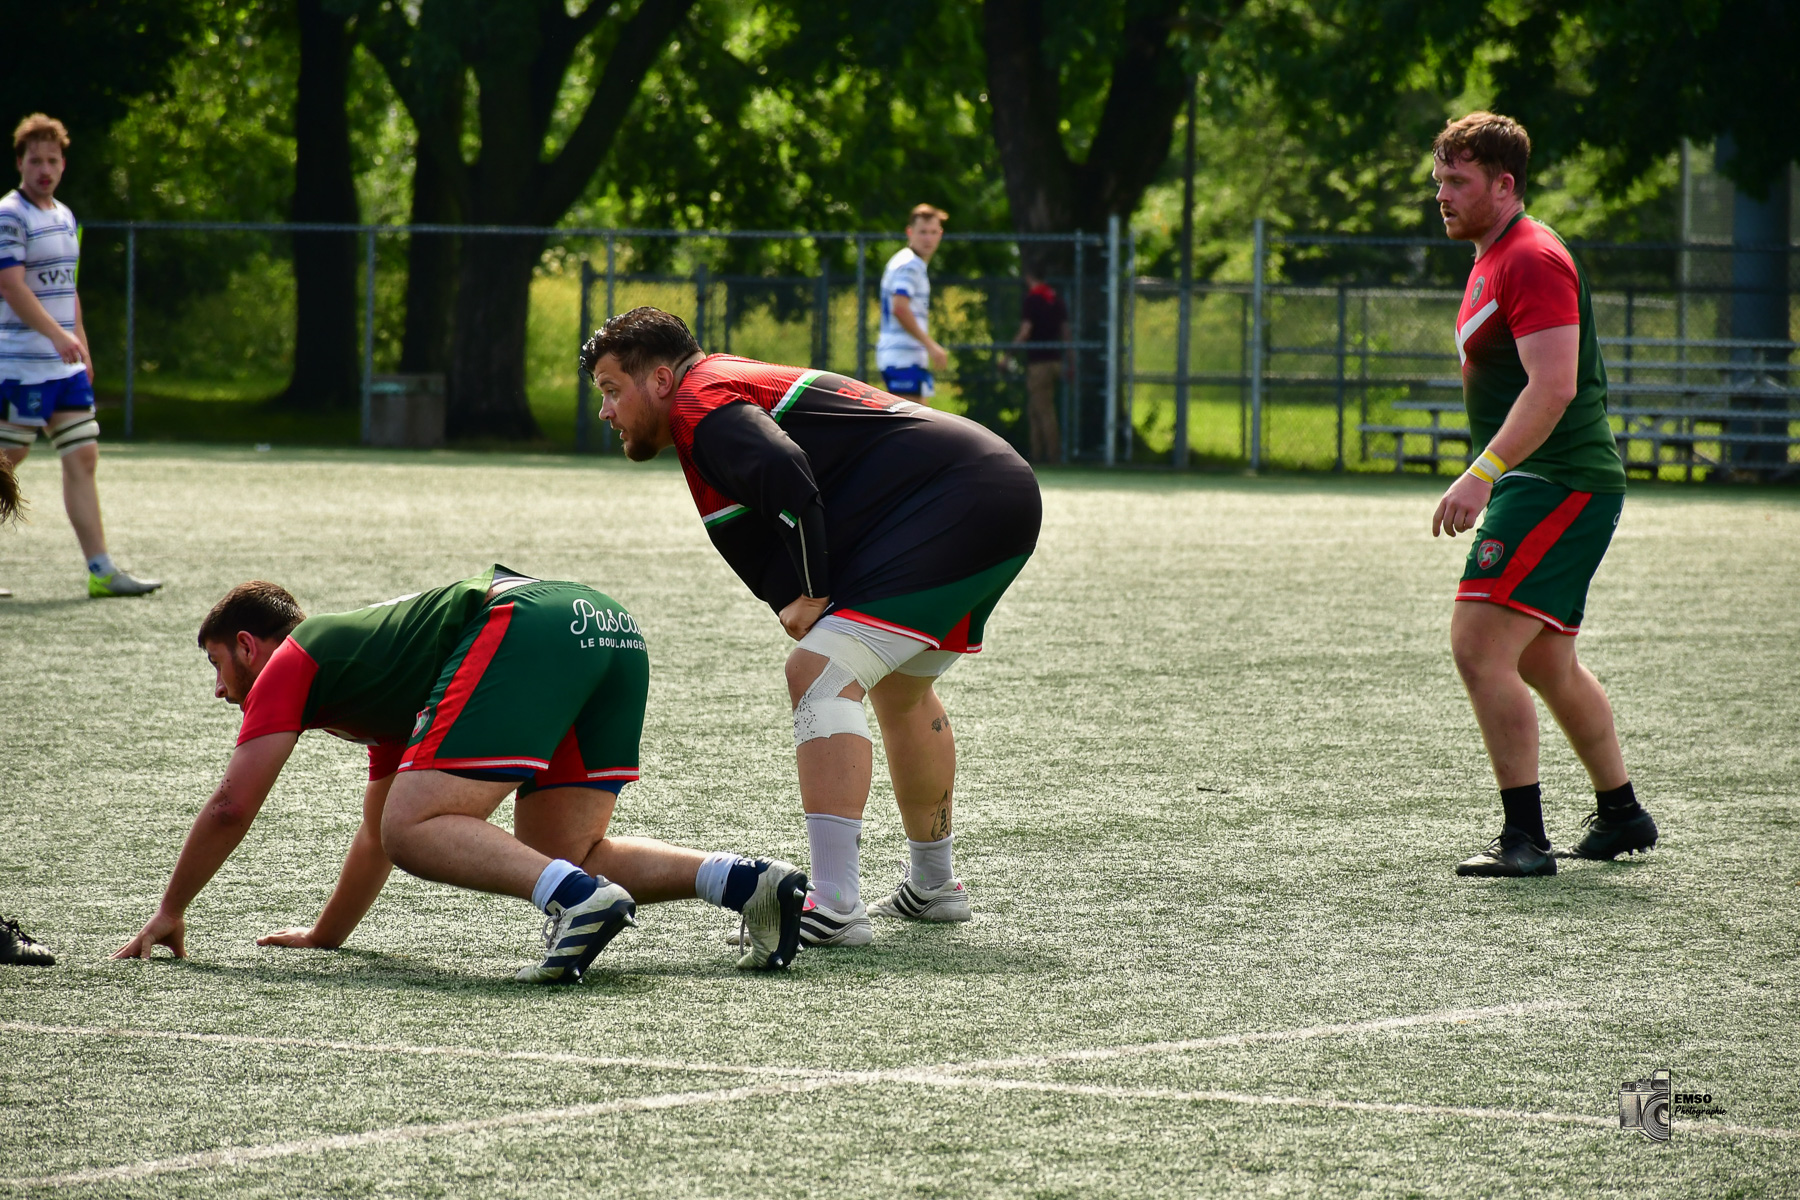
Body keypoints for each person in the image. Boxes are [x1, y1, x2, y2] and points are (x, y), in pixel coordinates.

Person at [580, 308, 1041, 947]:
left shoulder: (697, 402)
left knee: (818, 673)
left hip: (961, 498)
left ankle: (833, 905)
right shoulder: (715, 384)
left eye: (610, 389)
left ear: (660, 379)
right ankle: (934, 887)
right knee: (901, 689)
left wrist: (810, 589)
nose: (604, 410)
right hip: (988, 487)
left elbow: (787, 475)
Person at [112, 568, 809, 978]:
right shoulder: (372, 681)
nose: (219, 690)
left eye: (216, 666)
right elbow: (373, 838)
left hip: (526, 620)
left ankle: (577, 898)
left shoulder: (292, 662)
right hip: (607, 627)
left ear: (245, 645)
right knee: (559, 850)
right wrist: (327, 936)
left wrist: (171, 910)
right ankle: (747, 883)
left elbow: (234, 804)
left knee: (418, 826)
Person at [1428, 111, 1657, 877]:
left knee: (1478, 644)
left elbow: (1553, 387)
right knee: (1547, 662)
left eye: (1458, 181)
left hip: (1556, 478)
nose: (1443, 195)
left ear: (1505, 184)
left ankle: (1524, 840)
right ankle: (1620, 812)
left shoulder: (1530, 255)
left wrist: (1480, 473)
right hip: (1548, 479)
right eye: (1439, 182)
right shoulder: (1494, 254)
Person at [0, 114, 160, 599]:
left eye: (52, 160)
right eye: (35, 160)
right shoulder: (10, 214)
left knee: (83, 455)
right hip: (20, 364)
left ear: (63, 164)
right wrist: (55, 336)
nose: (44, 168)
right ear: (20, 163)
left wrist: (79, 345)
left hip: (62, 367)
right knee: (8, 460)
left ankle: (101, 570)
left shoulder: (65, 216)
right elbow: (11, 285)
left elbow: (67, 289)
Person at [876, 203, 950, 402]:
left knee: (916, 422)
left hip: (905, 358)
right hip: (902, 358)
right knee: (913, 426)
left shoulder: (907, 261)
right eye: (922, 232)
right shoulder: (910, 265)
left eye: (933, 232)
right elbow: (899, 308)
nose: (928, 238)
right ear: (910, 232)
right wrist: (931, 345)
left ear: (940, 234)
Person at [1013, 262, 1068, 464]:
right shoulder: (1055, 299)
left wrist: (1009, 354)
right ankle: (1036, 455)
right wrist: (1070, 361)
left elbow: (1025, 330)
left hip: (1039, 364)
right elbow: (1066, 333)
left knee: (1044, 411)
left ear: (1028, 277)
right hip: (1055, 361)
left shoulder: (1033, 299)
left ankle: (1053, 456)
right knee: (1034, 409)